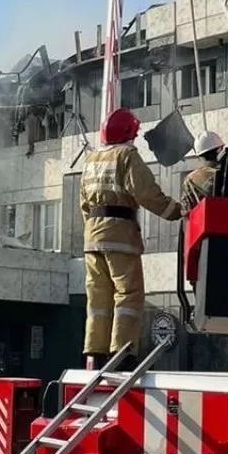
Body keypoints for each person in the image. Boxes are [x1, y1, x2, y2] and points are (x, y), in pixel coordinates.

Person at [81, 108, 183, 371]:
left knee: (98, 300)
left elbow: (84, 203)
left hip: (92, 241)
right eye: (134, 134)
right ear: (128, 133)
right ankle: (123, 353)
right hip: (120, 237)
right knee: (128, 294)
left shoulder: (91, 159)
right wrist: (174, 210)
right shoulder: (127, 156)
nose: (136, 139)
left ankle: (96, 350)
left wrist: (94, 231)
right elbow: (145, 191)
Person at [181, 131, 225, 212]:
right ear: (220, 149)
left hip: (209, 221)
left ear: (199, 156)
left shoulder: (191, 179)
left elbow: (187, 212)